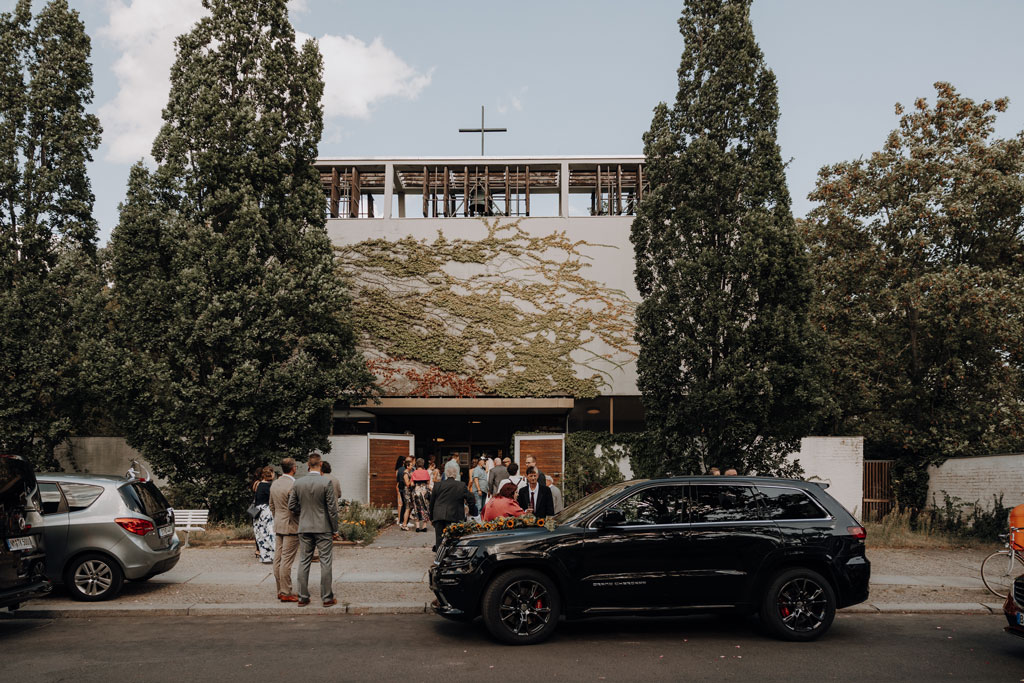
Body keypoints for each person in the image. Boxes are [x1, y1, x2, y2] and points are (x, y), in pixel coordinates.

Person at [287, 453, 340, 607]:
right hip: (323, 527)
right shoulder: (326, 482)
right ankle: (327, 597)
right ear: (321, 464)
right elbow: (332, 508)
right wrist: (334, 528)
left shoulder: (298, 483)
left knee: (304, 561)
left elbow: (291, 505)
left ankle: (303, 597)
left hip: (304, 526)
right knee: (325, 561)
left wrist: (302, 512)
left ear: (308, 465)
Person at [428, 460, 478, 552]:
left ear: (446, 474)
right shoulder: (461, 485)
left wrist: (431, 517)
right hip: (454, 514)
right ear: (456, 475)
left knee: (439, 537)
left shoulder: (438, 485)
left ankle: (439, 558)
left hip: (438, 514)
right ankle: (450, 555)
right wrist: (472, 510)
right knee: (453, 537)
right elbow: (470, 498)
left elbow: (432, 502)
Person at [269, 457, 299, 601]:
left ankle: (280, 589)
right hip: (291, 525)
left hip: (279, 523)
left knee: (278, 558)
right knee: (287, 560)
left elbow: (272, 506)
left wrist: (278, 518)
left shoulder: (275, 484)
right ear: (293, 468)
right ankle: (286, 592)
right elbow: (295, 507)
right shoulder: (293, 485)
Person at [251, 466, 276, 564]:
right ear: (272, 474)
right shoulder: (271, 487)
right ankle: (273, 555)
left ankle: (265, 555)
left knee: (261, 534)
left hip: (258, 511)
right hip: (267, 511)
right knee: (270, 533)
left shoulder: (259, 485)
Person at [410, 458, 432, 532]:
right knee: (425, 508)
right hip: (424, 492)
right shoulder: (426, 472)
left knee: (416, 508)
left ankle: (417, 527)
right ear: (423, 464)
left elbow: (412, 484)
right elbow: (428, 483)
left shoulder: (414, 472)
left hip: (416, 491)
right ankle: (424, 526)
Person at [394, 456, 408, 529]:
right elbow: (398, 480)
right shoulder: (400, 470)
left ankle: (400, 519)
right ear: (403, 461)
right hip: (399, 487)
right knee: (400, 504)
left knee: (401, 504)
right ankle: (399, 519)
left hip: (399, 486)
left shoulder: (399, 469)